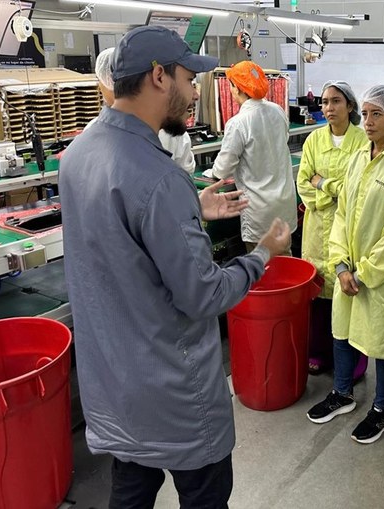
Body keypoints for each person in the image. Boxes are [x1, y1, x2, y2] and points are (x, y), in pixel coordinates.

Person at [59, 26, 292, 507]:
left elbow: (124, 242)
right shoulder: (159, 178)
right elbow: (204, 294)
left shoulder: (78, 155)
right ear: (159, 77)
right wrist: (263, 253)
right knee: (205, 497)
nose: (194, 94)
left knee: (131, 492)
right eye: (190, 78)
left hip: (115, 387)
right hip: (174, 390)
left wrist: (190, 206)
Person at [306, 85, 384, 445]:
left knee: (381, 343)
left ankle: (382, 408)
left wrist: (364, 273)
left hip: (380, 276)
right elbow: (342, 212)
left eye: (378, 114)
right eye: (367, 114)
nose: (369, 122)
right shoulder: (360, 156)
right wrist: (341, 264)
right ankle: (342, 393)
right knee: (342, 333)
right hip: (349, 269)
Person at [296, 80, 367, 377]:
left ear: (349, 106)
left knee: (350, 293)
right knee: (319, 298)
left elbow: (358, 189)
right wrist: (334, 196)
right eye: (324, 102)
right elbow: (302, 183)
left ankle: (354, 361)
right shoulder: (314, 140)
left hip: (350, 230)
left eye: (335, 101)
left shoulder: (363, 141)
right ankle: (320, 353)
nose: (328, 108)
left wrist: (323, 183)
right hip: (316, 229)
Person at [208, 60, 298, 251]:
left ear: (238, 89)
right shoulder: (278, 110)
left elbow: (223, 169)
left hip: (259, 210)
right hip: (283, 203)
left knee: (261, 269)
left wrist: (213, 172)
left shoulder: (238, 122)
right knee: (286, 265)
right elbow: (284, 138)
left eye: (231, 86)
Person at [91, 46, 195, 173]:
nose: (196, 95)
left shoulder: (89, 135)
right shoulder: (168, 125)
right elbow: (185, 175)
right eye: (189, 80)